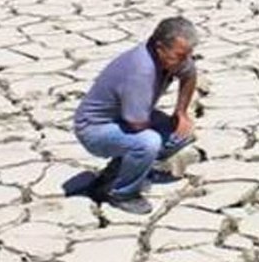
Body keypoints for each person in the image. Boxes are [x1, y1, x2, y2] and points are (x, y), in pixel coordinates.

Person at [73, 16, 199, 215]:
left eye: (187, 55)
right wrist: (160, 139)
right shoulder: (141, 70)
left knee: (182, 134)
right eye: (179, 56)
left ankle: (119, 170)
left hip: (125, 118)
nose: (184, 61)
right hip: (95, 129)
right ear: (160, 47)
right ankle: (122, 193)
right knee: (149, 142)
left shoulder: (174, 58)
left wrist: (181, 113)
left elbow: (190, 74)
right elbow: (137, 124)